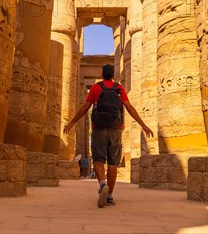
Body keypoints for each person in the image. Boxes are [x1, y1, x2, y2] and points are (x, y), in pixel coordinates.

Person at [63, 64, 153, 208]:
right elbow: (129, 107)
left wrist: (71, 123)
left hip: (98, 128)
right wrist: (143, 124)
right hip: (115, 129)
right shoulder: (119, 88)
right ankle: (110, 195)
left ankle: (102, 184)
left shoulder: (95, 88)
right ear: (113, 75)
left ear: (102, 74)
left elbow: (85, 107)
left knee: (98, 160)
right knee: (113, 163)